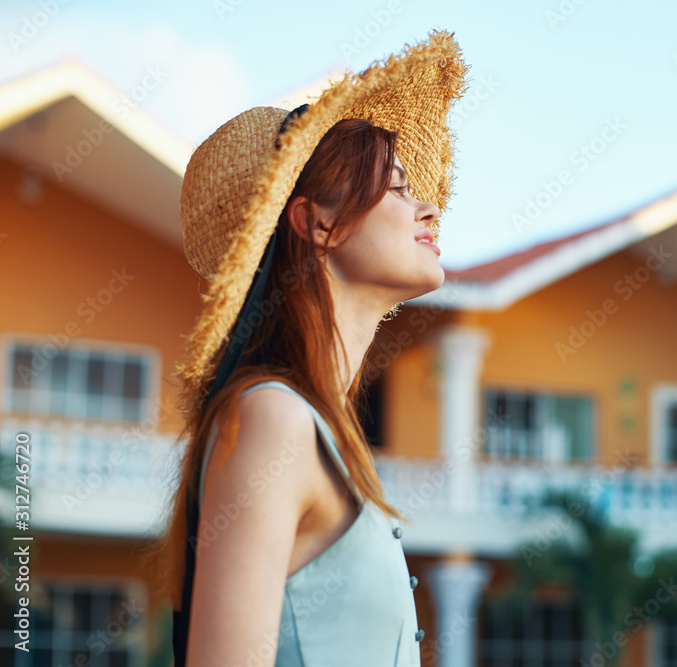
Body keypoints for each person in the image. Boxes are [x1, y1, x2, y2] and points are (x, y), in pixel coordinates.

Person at [148, 30, 470, 666]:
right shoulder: (273, 419)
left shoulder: (322, 429)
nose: (430, 209)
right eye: (400, 187)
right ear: (317, 221)